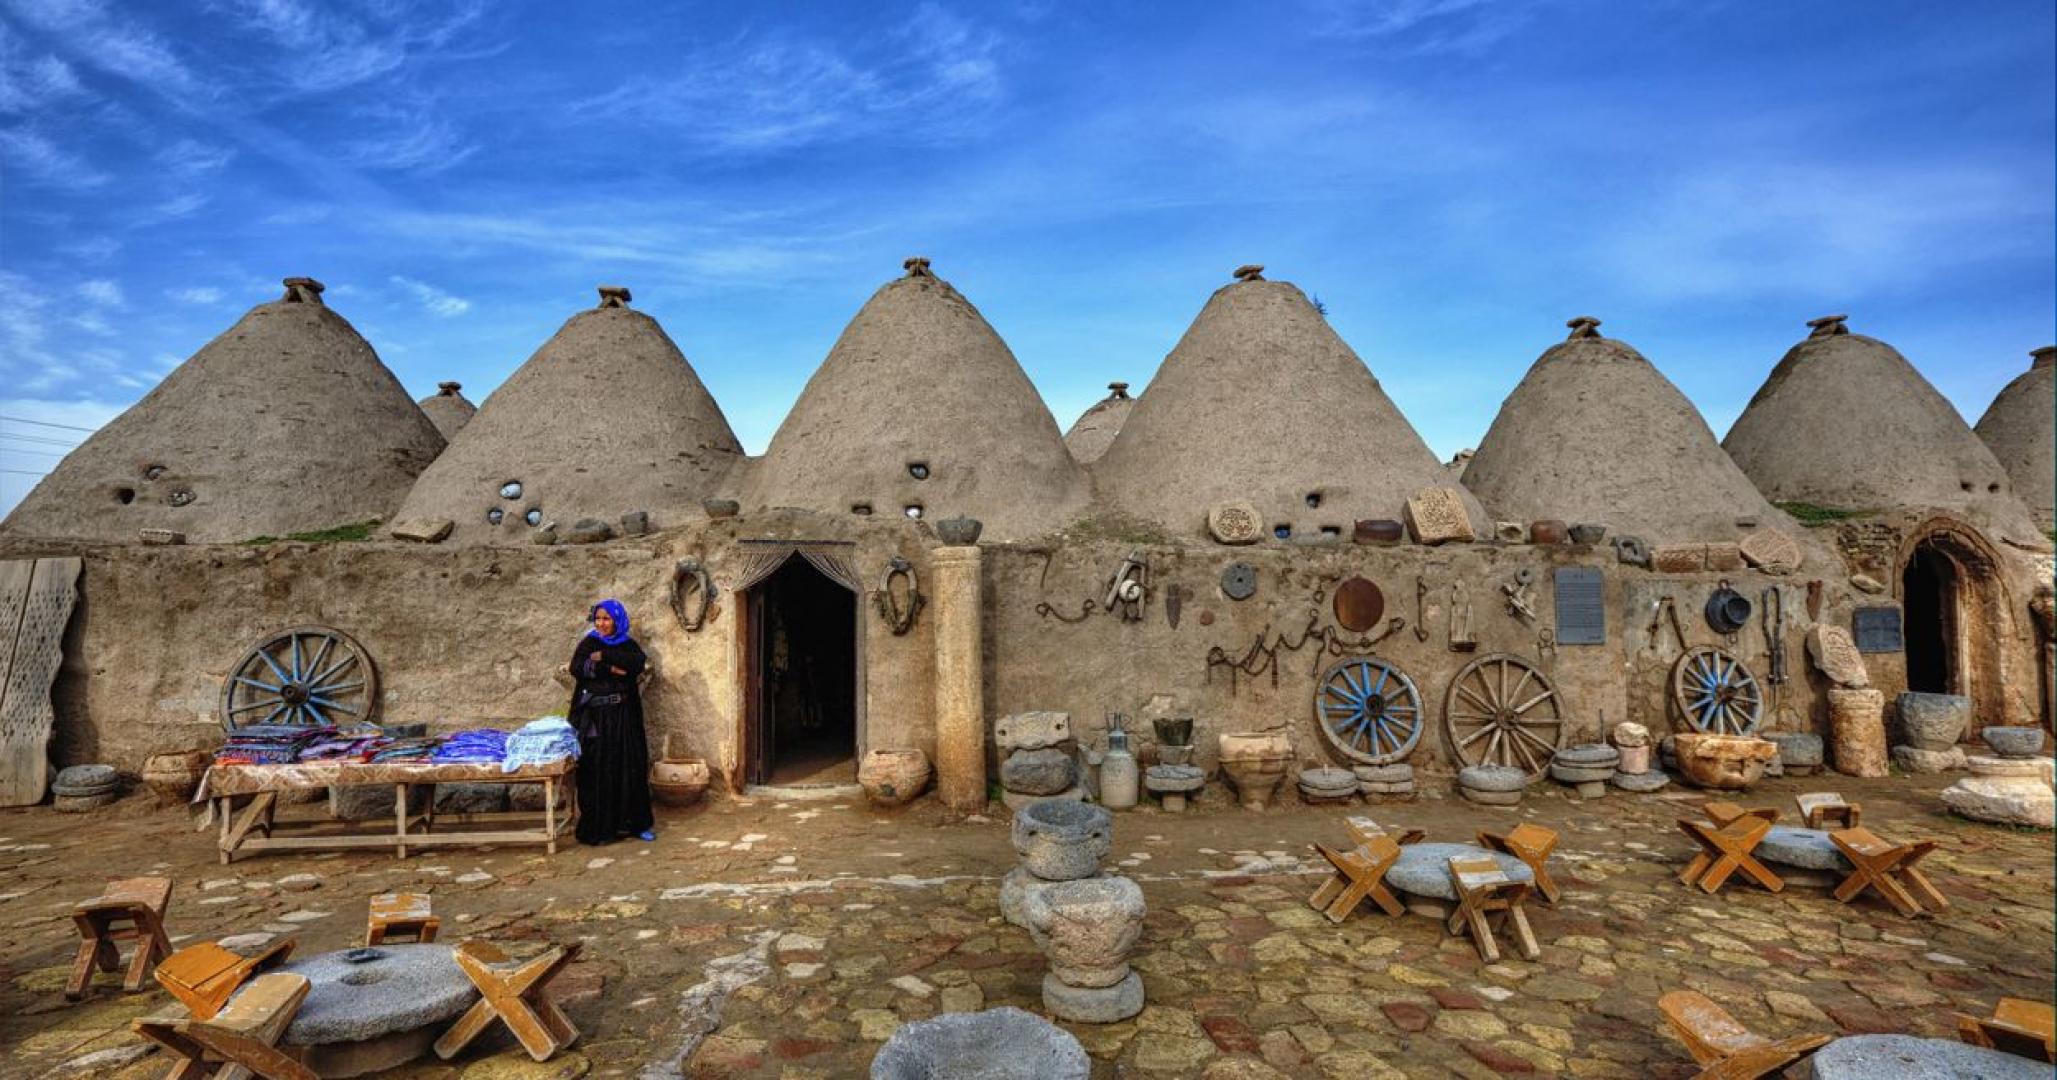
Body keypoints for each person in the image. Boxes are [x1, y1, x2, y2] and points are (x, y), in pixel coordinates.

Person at [569, 599, 655, 844]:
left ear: (617, 620)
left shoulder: (628, 644)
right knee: (596, 769)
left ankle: (636, 825)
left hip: (624, 717)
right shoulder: (588, 643)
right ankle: (601, 829)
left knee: (630, 766)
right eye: (598, 619)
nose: (601, 623)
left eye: (606, 619)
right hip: (596, 719)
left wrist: (604, 656)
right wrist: (611, 669)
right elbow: (578, 668)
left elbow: (635, 664)